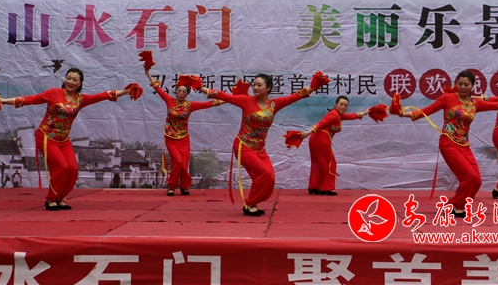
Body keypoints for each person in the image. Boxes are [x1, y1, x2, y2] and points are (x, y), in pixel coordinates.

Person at [399, 70, 498, 217]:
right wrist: (405, 114)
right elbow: (426, 111)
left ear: (472, 86)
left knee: (477, 181)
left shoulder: (475, 103)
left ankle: (458, 206)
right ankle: (453, 206)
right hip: (448, 143)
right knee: (469, 176)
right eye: (460, 84)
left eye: (466, 84)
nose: (463, 87)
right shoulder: (447, 98)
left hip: (464, 145)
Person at [0, 68, 135, 211]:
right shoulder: (53, 93)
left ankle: (59, 197)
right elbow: (29, 99)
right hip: (46, 137)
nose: (71, 82)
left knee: (73, 169)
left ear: (80, 83)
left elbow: (102, 95)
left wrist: (126, 91)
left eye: (75, 79)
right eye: (68, 78)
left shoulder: (80, 99)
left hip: (63, 140)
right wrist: (3, 101)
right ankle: (51, 199)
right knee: (62, 167)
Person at [199, 74, 313, 216]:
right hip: (243, 146)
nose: (255, 87)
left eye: (259, 85)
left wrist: (313, 87)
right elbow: (224, 96)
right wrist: (202, 88)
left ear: (268, 87)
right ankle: (250, 204)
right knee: (264, 174)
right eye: (254, 85)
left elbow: (295, 96)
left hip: (260, 149)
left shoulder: (274, 105)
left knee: (270, 178)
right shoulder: (245, 101)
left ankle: (252, 203)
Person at [145, 68, 224, 196]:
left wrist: (230, 99)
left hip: (184, 139)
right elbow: (157, 88)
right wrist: (147, 73)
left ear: (187, 94)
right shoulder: (169, 101)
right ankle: (171, 186)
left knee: (183, 165)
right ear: (175, 91)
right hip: (170, 138)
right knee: (177, 162)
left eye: (183, 92)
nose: (181, 93)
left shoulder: (190, 105)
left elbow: (210, 103)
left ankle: (184, 186)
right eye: (179, 91)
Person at [299, 96, 370, 196]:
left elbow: (352, 116)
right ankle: (326, 188)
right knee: (330, 163)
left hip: (316, 139)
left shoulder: (338, 115)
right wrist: (308, 132)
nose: (343, 107)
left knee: (318, 163)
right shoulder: (334, 115)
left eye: (345, 105)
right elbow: (320, 124)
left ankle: (314, 187)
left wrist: (365, 112)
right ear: (336, 104)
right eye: (341, 104)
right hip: (321, 139)